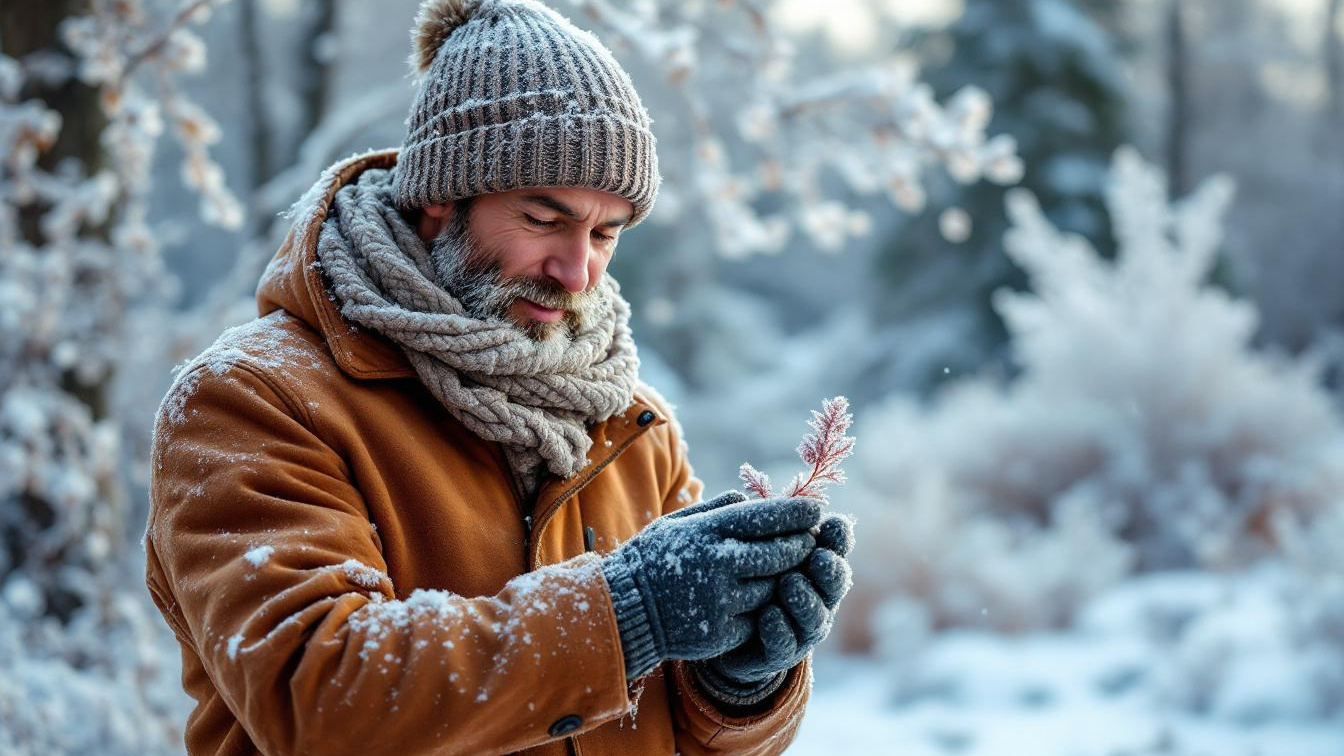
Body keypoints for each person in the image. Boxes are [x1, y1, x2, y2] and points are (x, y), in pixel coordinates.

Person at [142, 0, 855, 753]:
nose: (576, 271)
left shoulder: (628, 426)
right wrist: (625, 613)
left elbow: (670, 731)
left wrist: (738, 688)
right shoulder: (250, 400)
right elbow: (318, 695)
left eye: (604, 234)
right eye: (544, 221)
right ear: (439, 199)